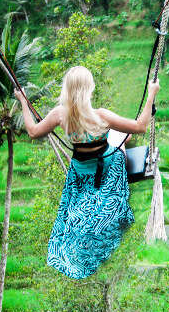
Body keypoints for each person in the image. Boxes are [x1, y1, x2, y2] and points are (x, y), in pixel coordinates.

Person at [16, 66, 160, 279]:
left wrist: (23, 101)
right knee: (120, 139)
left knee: (115, 137)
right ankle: (119, 143)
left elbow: (33, 131)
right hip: (108, 167)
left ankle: (115, 143)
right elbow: (140, 126)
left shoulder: (59, 115)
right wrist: (151, 94)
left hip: (81, 171)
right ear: (89, 89)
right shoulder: (101, 116)